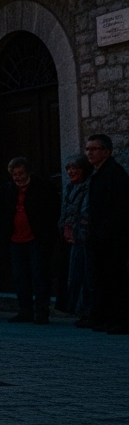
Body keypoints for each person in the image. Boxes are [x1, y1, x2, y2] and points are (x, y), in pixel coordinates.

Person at [0, 157, 60, 324]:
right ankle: (24, 311)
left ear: (28, 172)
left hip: (36, 239)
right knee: (20, 277)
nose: (18, 177)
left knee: (39, 275)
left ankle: (41, 312)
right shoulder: (8, 189)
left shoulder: (43, 187)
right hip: (16, 239)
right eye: (15, 174)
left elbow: (53, 210)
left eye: (21, 173)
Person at [84, 134, 129, 334]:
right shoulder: (99, 174)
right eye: (88, 149)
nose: (89, 153)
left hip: (113, 238)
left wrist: (105, 231)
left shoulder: (115, 174)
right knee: (103, 279)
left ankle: (121, 319)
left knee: (116, 279)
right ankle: (107, 317)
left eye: (94, 149)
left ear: (106, 151)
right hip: (100, 237)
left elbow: (119, 208)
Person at [60, 154, 94, 326]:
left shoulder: (88, 187)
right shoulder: (69, 188)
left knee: (86, 275)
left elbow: (85, 213)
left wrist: (76, 231)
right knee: (75, 275)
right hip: (70, 237)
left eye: (75, 168)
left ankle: (88, 311)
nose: (71, 172)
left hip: (83, 237)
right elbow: (65, 211)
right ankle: (79, 310)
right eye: (68, 168)